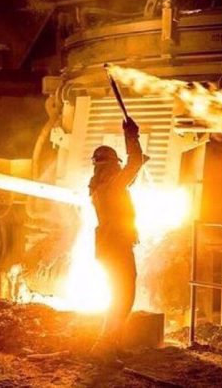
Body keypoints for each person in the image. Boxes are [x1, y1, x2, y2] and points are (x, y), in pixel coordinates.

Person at [89, 116, 144, 355]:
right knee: (123, 296)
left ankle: (113, 344)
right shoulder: (112, 185)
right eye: (116, 165)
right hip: (117, 246)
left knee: (120, 295)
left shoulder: (101, 187)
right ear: (112, 165)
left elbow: (128, 180)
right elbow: (135, 162)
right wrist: (131, 136)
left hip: (109, 245)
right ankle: (104, 345)